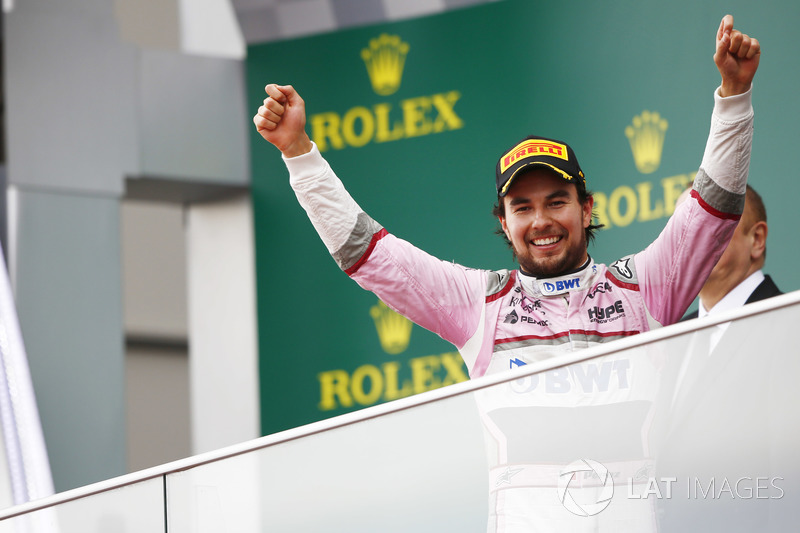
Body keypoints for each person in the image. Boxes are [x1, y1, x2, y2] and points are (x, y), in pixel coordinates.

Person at [254, 15, 760, 532]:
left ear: (586, 209)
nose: (540, 221)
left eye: (556, 201)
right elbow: (369, 254)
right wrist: (299, 153)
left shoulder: (643, 288)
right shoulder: (480, 304)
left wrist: (734, 95)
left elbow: (712, 210)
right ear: (504, 222)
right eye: (522, 207)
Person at [682, 184, 782, 322]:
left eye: (706, 220)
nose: (686, 237)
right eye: (679, 226)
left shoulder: (793, 320)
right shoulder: (667, 340)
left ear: (757, 239)